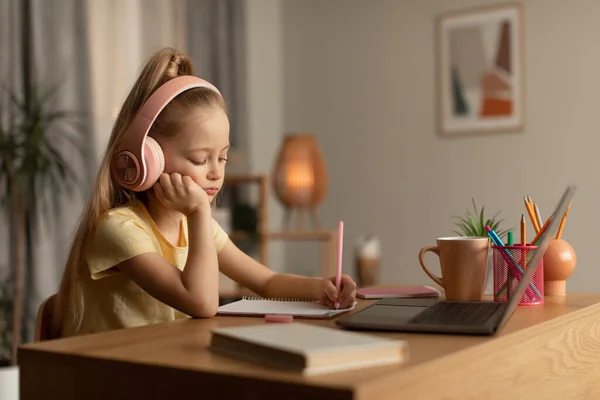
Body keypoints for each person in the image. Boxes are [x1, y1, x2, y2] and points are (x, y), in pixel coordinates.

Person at [53, 47, 356, 338]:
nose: (216, 172)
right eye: (200, 159)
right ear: (147, 156)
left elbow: (267, 281)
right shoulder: (120, 228)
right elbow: (201, 302)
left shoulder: (195, 227)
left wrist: (320, 288)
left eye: (222, 157)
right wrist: (198, 212)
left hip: (158, 367)